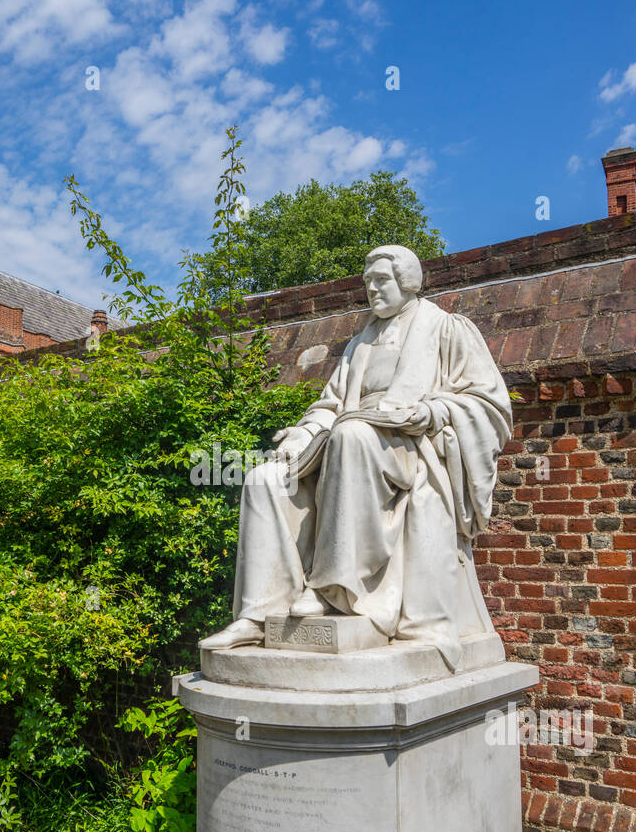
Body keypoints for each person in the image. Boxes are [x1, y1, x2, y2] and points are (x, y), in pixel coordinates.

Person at [200, 244, 512, 670]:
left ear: (407, 280)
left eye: (380, 280)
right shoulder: (359, 344)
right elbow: (329, 407)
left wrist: (431, 411)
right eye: (366, 283)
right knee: (266, 477)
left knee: (350, 435)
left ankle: (334, 589)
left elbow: (490, 406)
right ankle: (258, 613)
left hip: (411, 446)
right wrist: (301, 435)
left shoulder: (447, 329)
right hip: (349, 440)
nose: (371, 290)